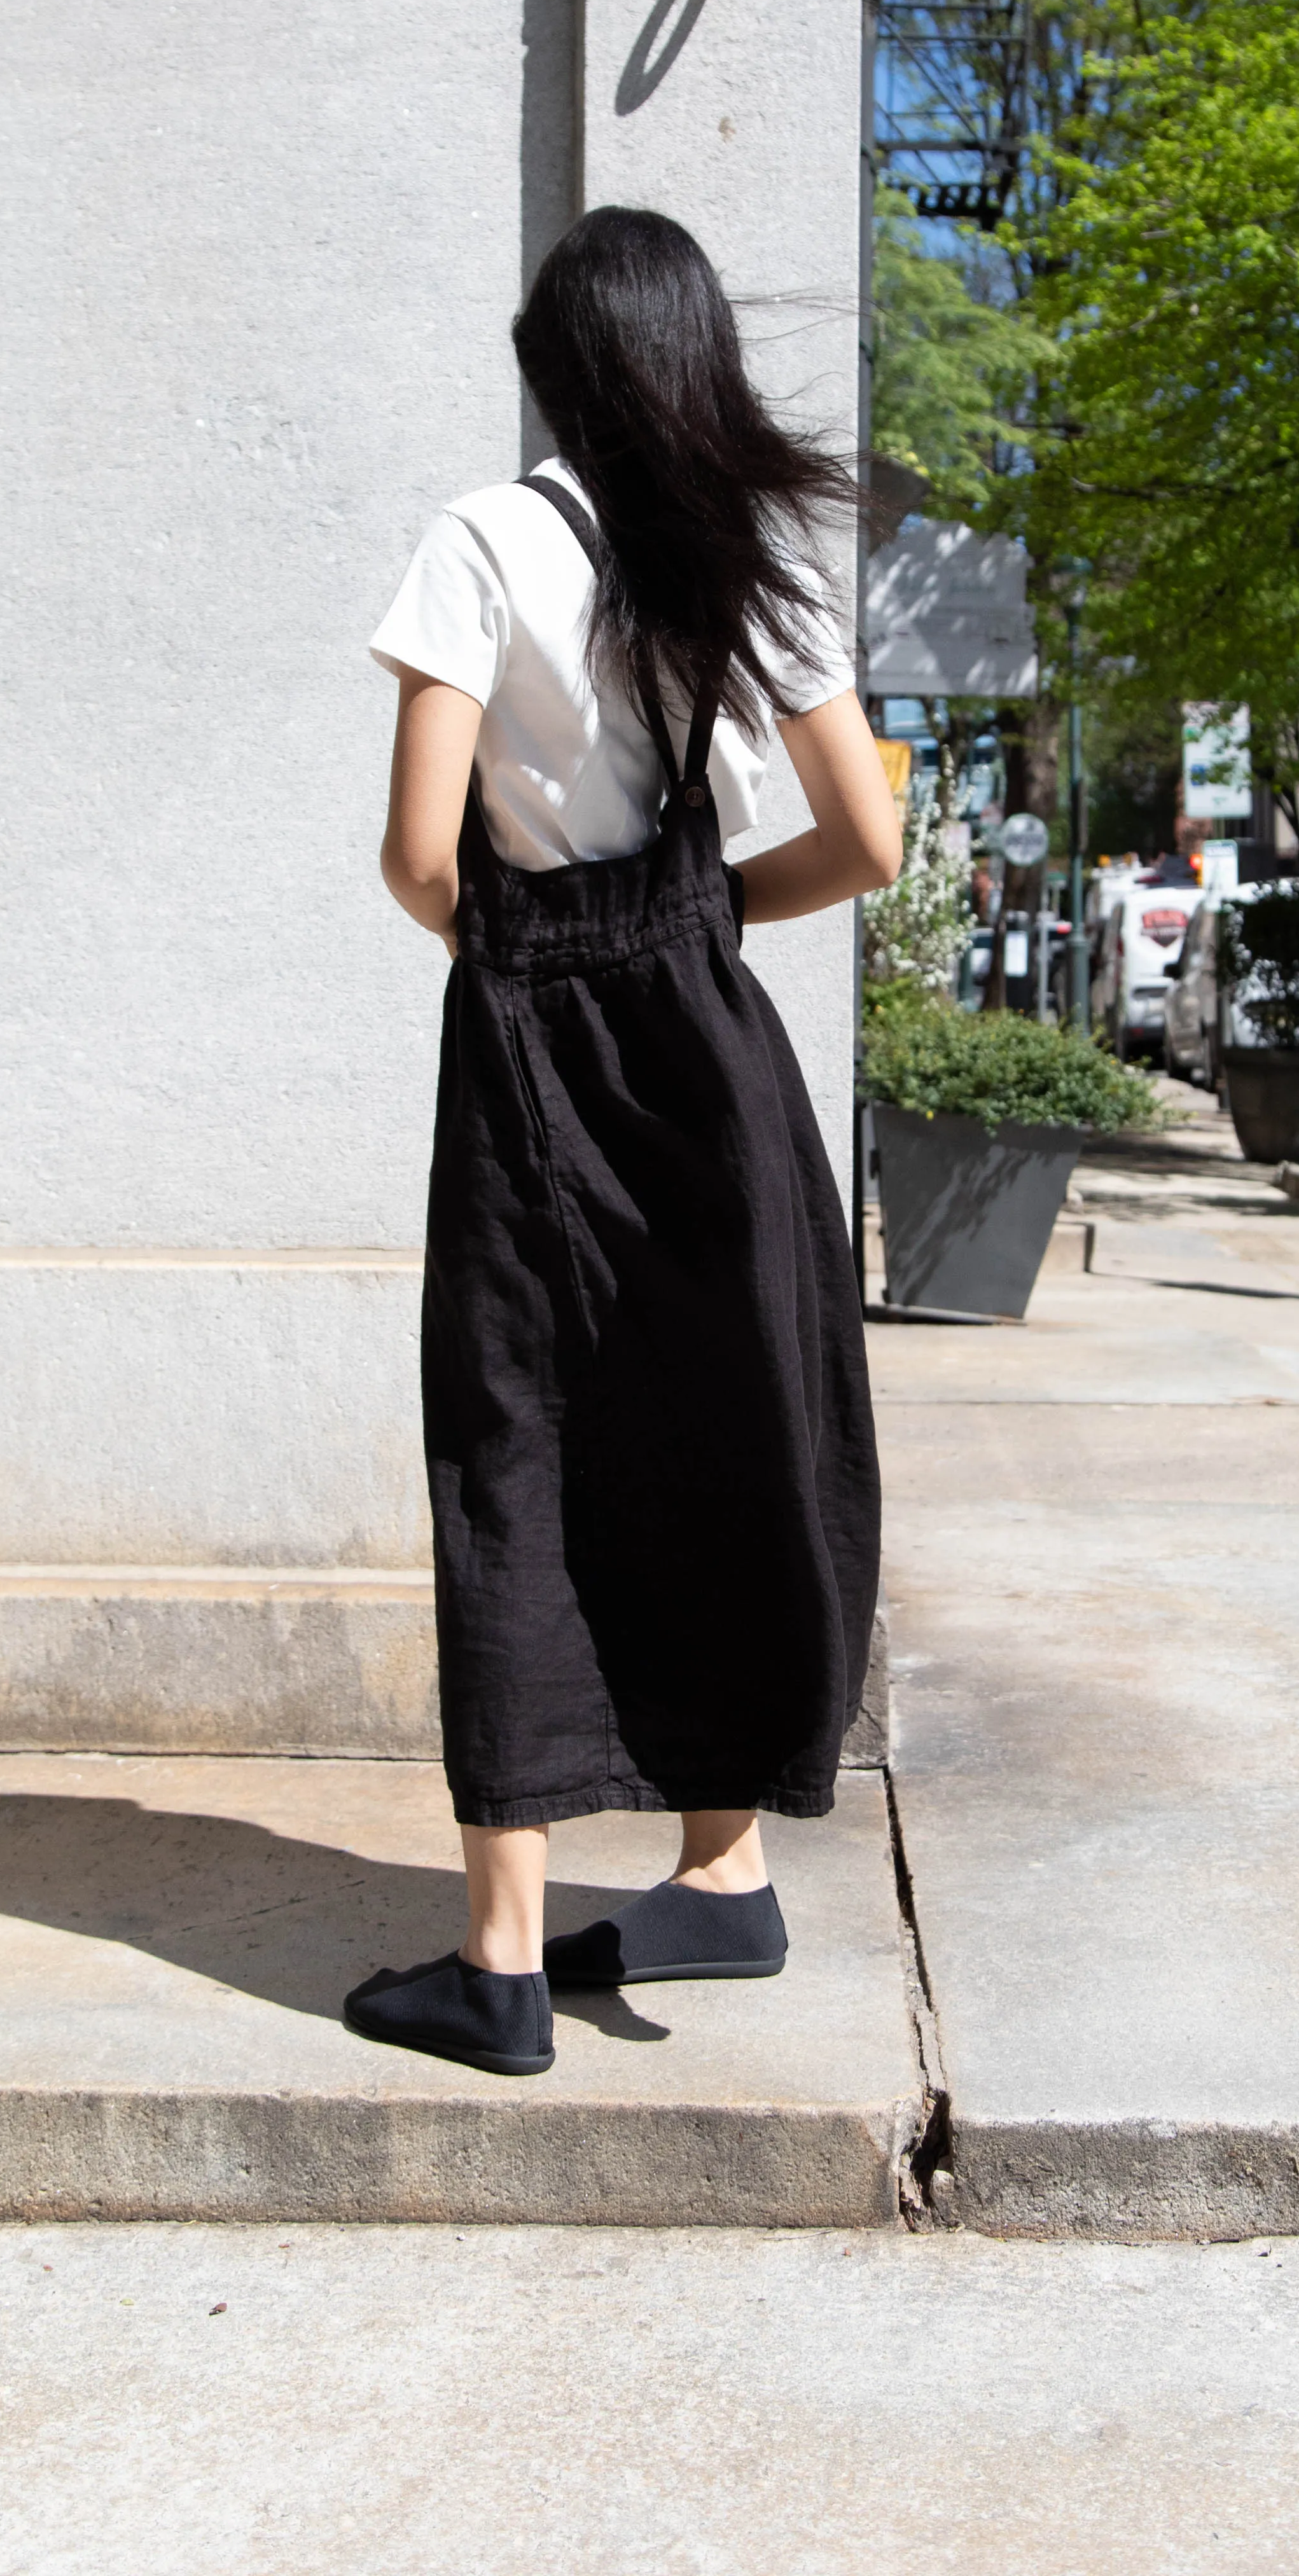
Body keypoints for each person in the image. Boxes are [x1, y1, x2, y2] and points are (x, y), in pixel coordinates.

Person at [348, 205, 903, 2076]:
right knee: (724, 1418)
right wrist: (699, 928)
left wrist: (534, 956)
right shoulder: (751, 551)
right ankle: (721, 1874)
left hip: (534, 1043)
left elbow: (423, 857)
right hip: (711, 1043)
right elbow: (868, 842)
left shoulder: (487, 541)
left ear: (560, 363)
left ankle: (503, 1962)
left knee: (517, 1440)